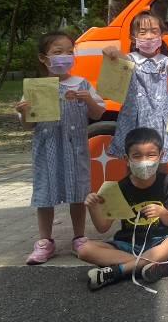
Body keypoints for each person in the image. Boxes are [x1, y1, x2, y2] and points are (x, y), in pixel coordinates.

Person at [15, 32, 106, 265]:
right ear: (44, 58)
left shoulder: (82, 84)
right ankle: (45, 241)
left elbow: (97, 114)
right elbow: (28, 125)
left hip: (75, 149)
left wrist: (88, 100)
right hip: (47, 150)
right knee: (45, 195)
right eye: (57, 52)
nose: (64, 57)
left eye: (69, 51)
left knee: (78, 194)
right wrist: (25, 111)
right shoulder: (36, 88)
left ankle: (79, 237)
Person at [78, 128, 168, 291]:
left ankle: (118, 271)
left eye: (151, 155)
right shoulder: (119, 188)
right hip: (128, 244)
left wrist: (162, 212)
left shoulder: (167, 182)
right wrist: (93, 208)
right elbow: (103, 227)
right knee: (85, 249)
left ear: (161, 156)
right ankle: (150, 265)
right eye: (137, 156)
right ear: (127, 159)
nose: (144, 161)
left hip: (158, 242)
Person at [103, 11, 168, 163]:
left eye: (154, 31)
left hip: (160, 119)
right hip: (135, 119)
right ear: (133, 37)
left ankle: (161, 185)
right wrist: (111, 52)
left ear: (161, 35)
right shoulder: (131, 60)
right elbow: (120, 58)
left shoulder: (163, 61)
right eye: (143, 32)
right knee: (133, 158)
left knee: (161, 158)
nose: (149, 36)